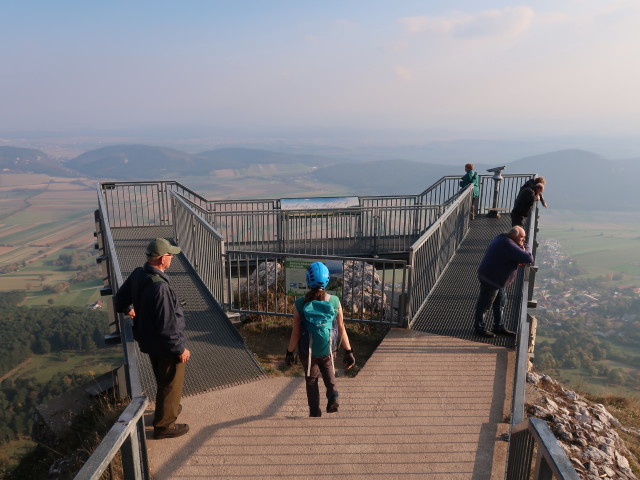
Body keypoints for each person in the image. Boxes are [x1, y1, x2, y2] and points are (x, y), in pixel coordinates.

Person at [114, 238, 191, 439]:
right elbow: (168, 327)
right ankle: (164, 426)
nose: (172, 258)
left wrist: (127, 309)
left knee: (163, 378)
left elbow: (119, 299)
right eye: (170, 255)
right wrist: (180, 348)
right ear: (161, 258)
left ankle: (169, 409)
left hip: (148, 339)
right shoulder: (161, 288)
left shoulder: (140, 274)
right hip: (165, 344)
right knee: (171, 382)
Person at [285, 262, 356, 417]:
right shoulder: (334, 301)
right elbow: (341, 328)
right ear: (327, 280)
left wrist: (289, 352)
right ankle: (333, 396)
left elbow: (296, 333)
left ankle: (314, 412)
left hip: (307, 351)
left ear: (307, 280)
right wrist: (349, 351)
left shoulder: (299, 303)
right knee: (328, 370)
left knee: (311, 380)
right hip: (328, 348)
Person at [473, 226, 534, 337]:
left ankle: (499, 327)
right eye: (521, 238)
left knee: (500, 302)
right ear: (513, 236)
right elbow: (528, 258)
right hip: (491, 279)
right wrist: (526, 247)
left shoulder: (502, 238)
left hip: (497, 278)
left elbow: (513, 256)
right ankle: (479, 328)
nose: (523, 241)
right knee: (484, 305)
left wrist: (518, 255)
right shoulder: (508, 245)